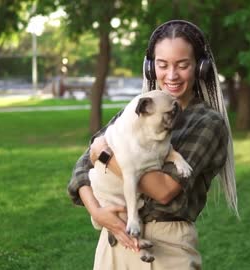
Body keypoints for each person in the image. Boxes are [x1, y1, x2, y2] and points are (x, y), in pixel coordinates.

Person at [68, 20, 238, 269]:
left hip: (166, 248)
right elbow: (82, 168)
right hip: (113, 242)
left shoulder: (208, 123)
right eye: (162, 65)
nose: (171, 75)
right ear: (150, 68)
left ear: (200, 67)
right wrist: (96, 211)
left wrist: (104, 154)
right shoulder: (138, 109)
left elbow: (164, 190)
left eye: (182, 65)